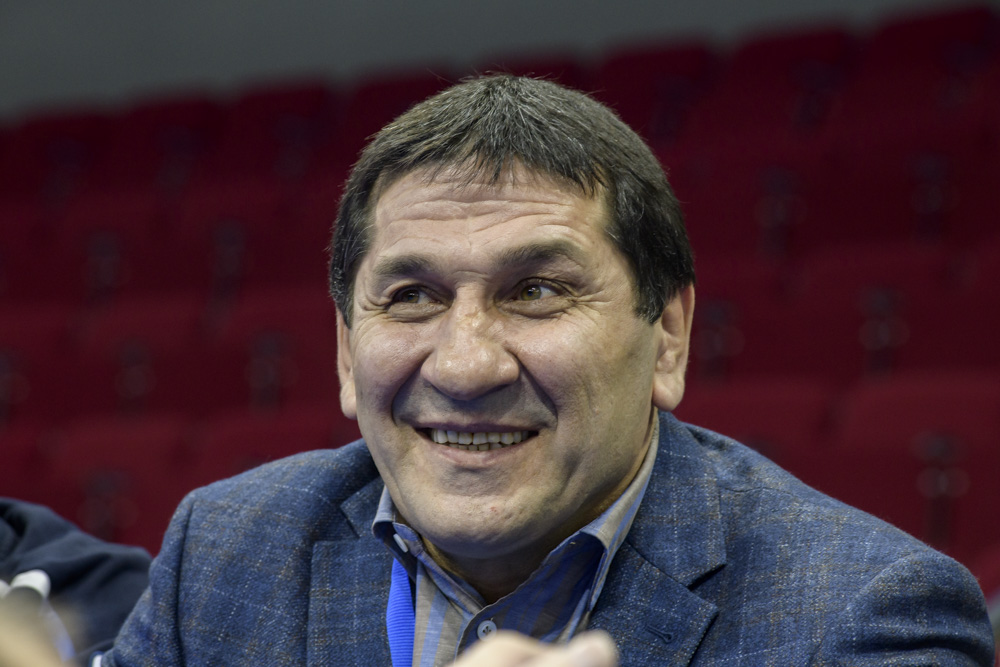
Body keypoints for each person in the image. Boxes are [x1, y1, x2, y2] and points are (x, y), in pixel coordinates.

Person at [102, 75, 994, 666]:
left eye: (536, 291)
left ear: (669, 336)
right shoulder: (224, 553)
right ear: (345, 349)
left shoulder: (866, 618)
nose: (465, 365)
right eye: (411, 296)